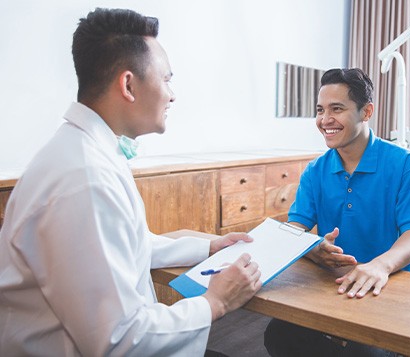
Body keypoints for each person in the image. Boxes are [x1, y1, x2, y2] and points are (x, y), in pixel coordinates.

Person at [0, 8, 262, 357]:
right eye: (167, 79)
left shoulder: (88, 151)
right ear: (128, 84)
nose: (172, 95)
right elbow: (118, 340)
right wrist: (214, 302)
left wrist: (207, 247)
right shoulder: (85, 178)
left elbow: (126, 246)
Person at [264, 68, 410, 356]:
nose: (325, 120)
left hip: (391, 285)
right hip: (333, 282)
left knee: (367, 352)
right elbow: (296, 227)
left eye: (336, 109)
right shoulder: (316, 170)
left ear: (366, 111)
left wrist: (381, 265)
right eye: (320, 110)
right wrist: (310, 247)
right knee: (278, 336)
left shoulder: (403, 163)